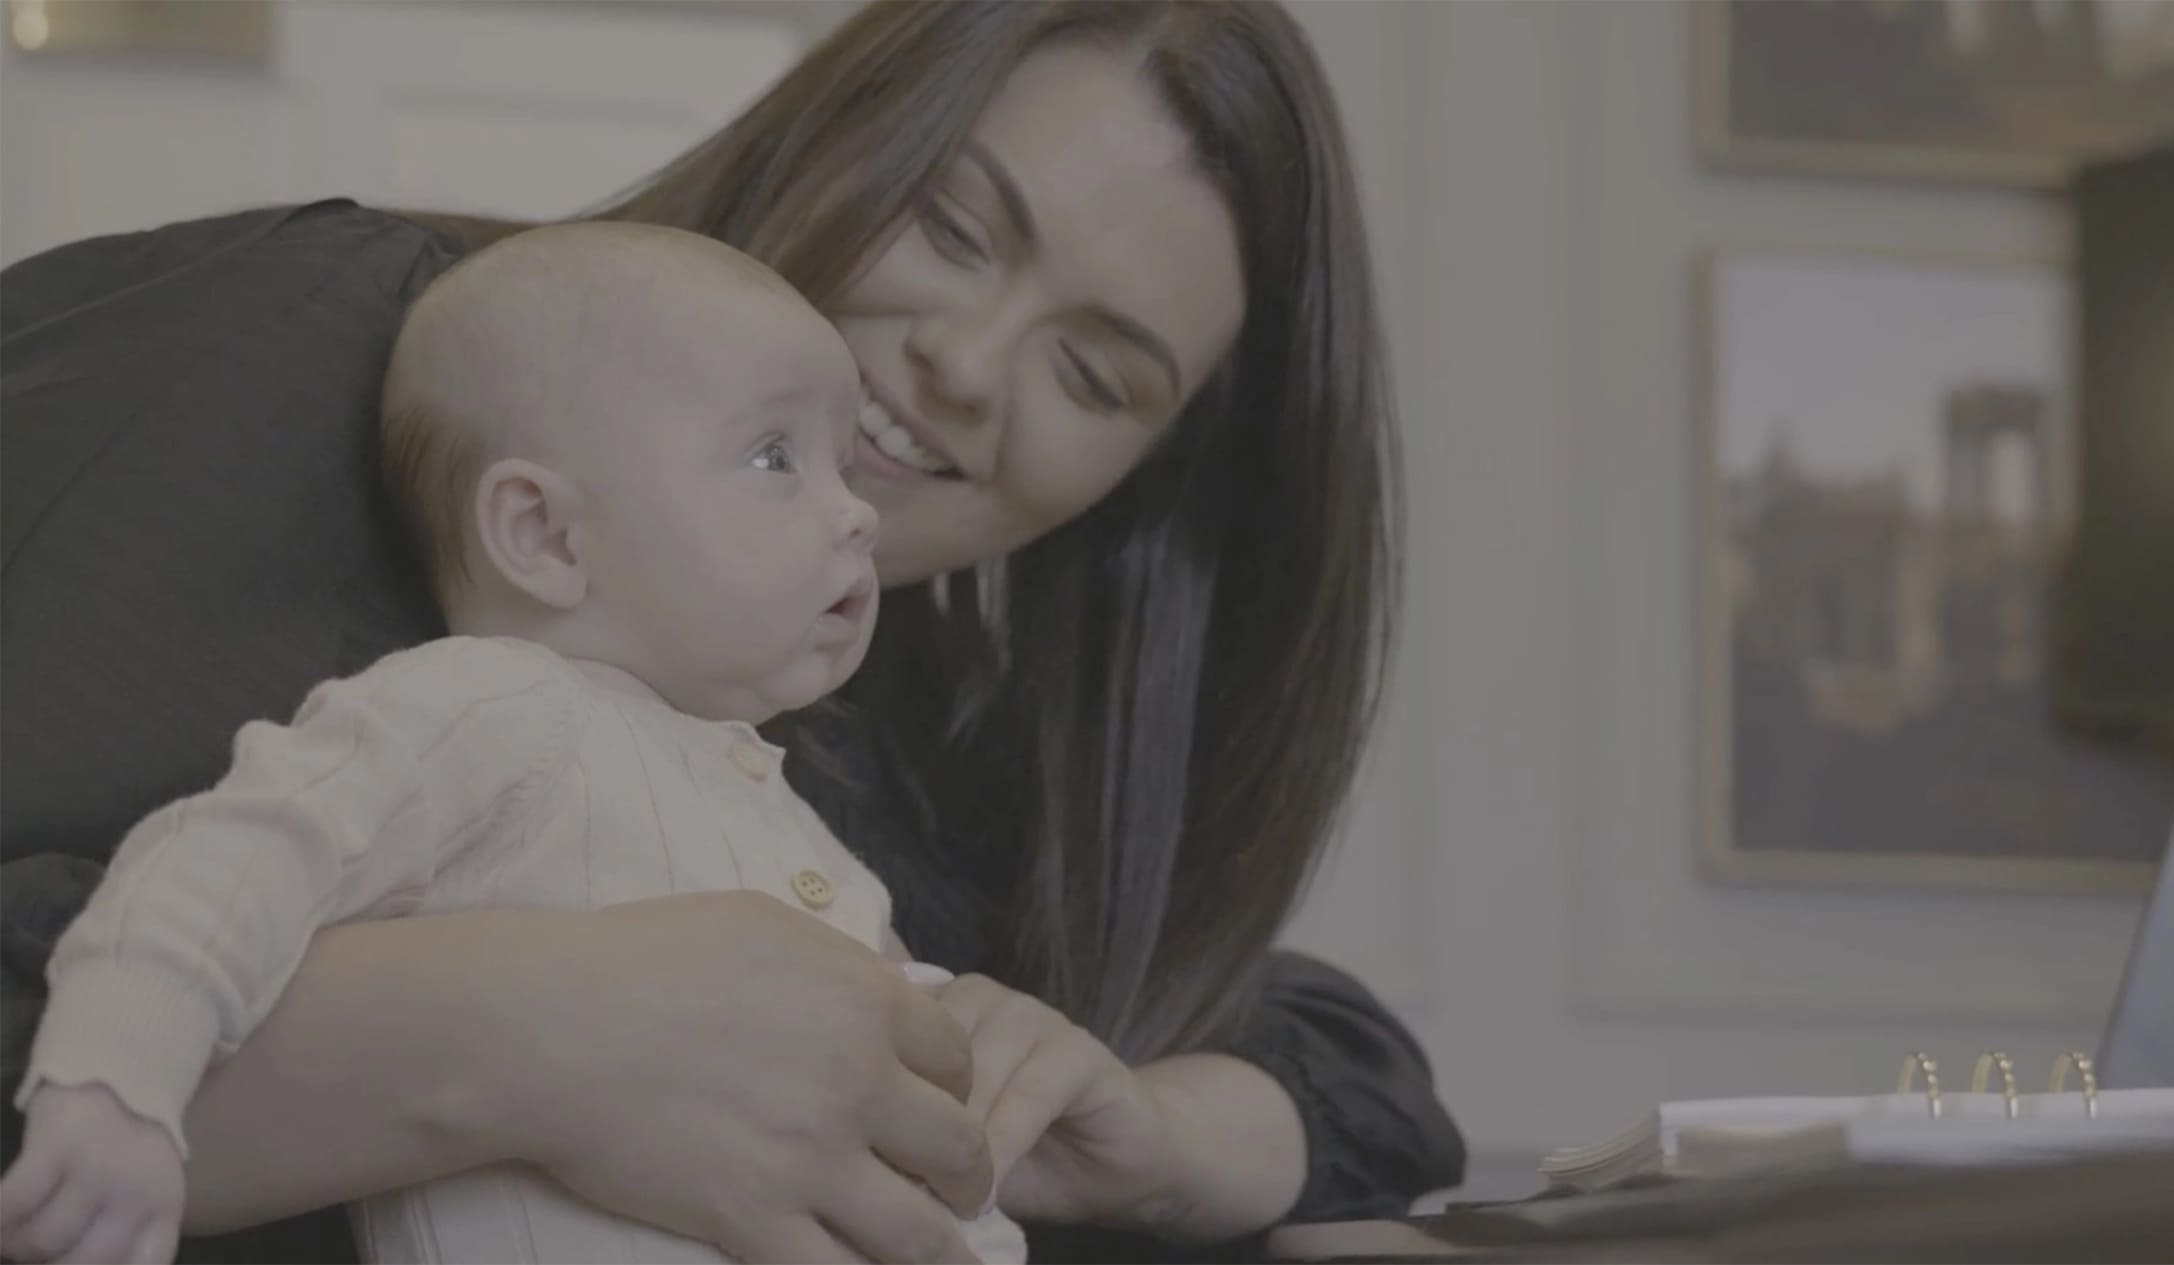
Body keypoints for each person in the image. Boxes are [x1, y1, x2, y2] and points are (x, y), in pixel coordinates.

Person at [0, 2, 1466, 1262]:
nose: (964, 363)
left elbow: (1341, 1056)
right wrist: (514, 1040)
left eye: (1094, 374)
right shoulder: (318, 347)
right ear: (843, 125)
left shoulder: (902, 746)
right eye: (954, 224)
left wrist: (1168, 1136)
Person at [0, 223, 1028, 1265]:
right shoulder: (480, 708)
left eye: (842, 461)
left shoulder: (778, 808)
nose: (855, 512)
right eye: (775, 456)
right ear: (544, 535)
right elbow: (231, 860)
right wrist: (116, 1083)